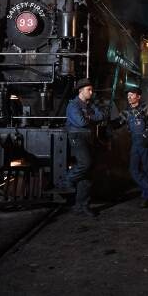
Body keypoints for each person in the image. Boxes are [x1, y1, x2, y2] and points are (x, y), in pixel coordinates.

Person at [108, 86, 148, 208]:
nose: (129, 97)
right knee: (133, 171)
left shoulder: (145, 108)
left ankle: (146, 197)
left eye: (132, 94)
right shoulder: (127, 111)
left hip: (146, 142)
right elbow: (118, 122)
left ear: (138, 96)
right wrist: (110, 125)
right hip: (135, 143)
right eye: (128, 95)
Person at [59, 78, 106, 217]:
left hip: (90, 138)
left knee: (88, 175)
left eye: (91, 90)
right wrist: (92, 117)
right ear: (80, 91)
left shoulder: (90, 104)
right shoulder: (72, 106)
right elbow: (81, 122)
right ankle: (67, 180)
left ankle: (82, 207)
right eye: (89, 90)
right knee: (86, 162)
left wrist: (89, 117)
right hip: (78, 137)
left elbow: (102, 115)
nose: (91, 92)